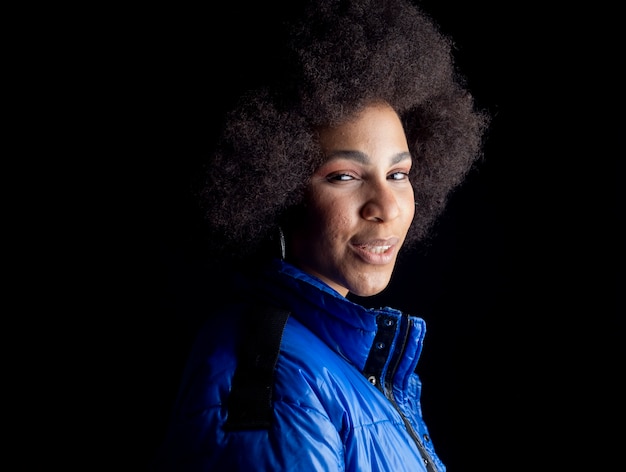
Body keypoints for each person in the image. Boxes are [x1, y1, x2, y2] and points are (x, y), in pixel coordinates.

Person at [152, 0, 489, 470]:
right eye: (344, 176)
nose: (387, 207)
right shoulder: (277, 380)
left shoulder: (332, 355)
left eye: (399, 174)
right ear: (274, 186)